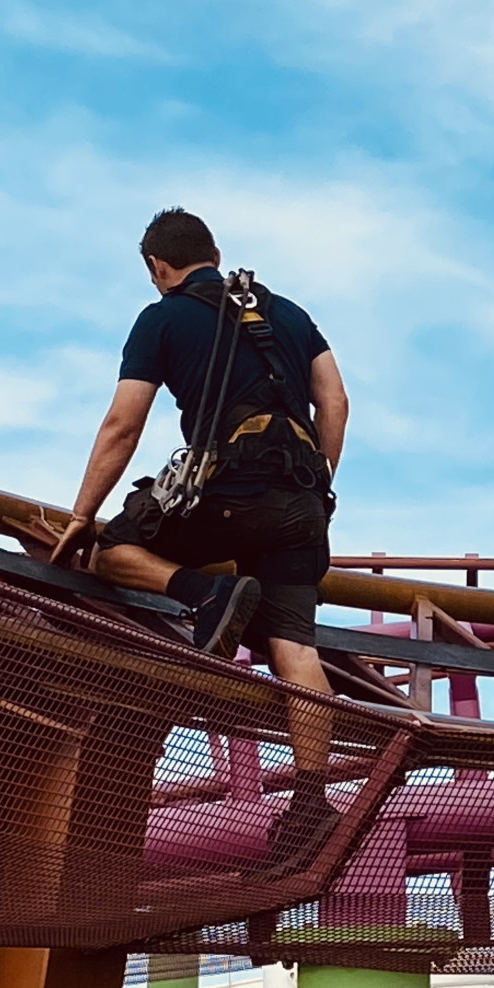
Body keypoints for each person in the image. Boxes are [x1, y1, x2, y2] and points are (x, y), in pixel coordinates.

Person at [51, 207, 349, 877]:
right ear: (213, 251)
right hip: (302, 501)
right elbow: (334, 403)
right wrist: (318, 485)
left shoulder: (161, 317)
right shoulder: (289, 313)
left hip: (226, 493)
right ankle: (309, 800)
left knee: (113, 548)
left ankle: (207, 592)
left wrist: (81, 513)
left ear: (160, 268)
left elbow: (123, 426)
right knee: (294, 644)